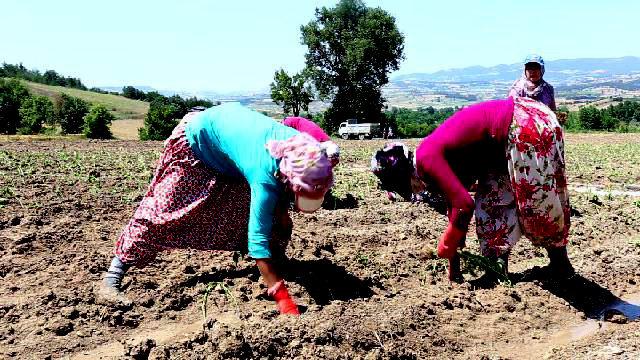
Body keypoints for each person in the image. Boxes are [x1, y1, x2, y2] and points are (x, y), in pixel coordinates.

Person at [100, 103, 334, 315]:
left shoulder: (309, 151)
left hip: (232, 155)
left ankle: (276, 264)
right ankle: (113, 276)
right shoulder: (264, 176)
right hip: (197, 143)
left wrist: (283, 212)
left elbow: (300, 143)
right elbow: (257, 239)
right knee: (163, 212)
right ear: (285, 178)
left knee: (276, 218)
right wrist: (283, 300)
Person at [371, 96, 574, 282]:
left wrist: (447, 244)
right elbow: (455, 207)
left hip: (521, 124)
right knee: (490, 203)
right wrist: (454, 266)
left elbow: (464, 205)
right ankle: (496, 269)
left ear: (402, 177)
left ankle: (561, 265)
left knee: (537, 202)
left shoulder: (427, 158)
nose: (412, 192)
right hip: (499, 147)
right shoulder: (428, 168)